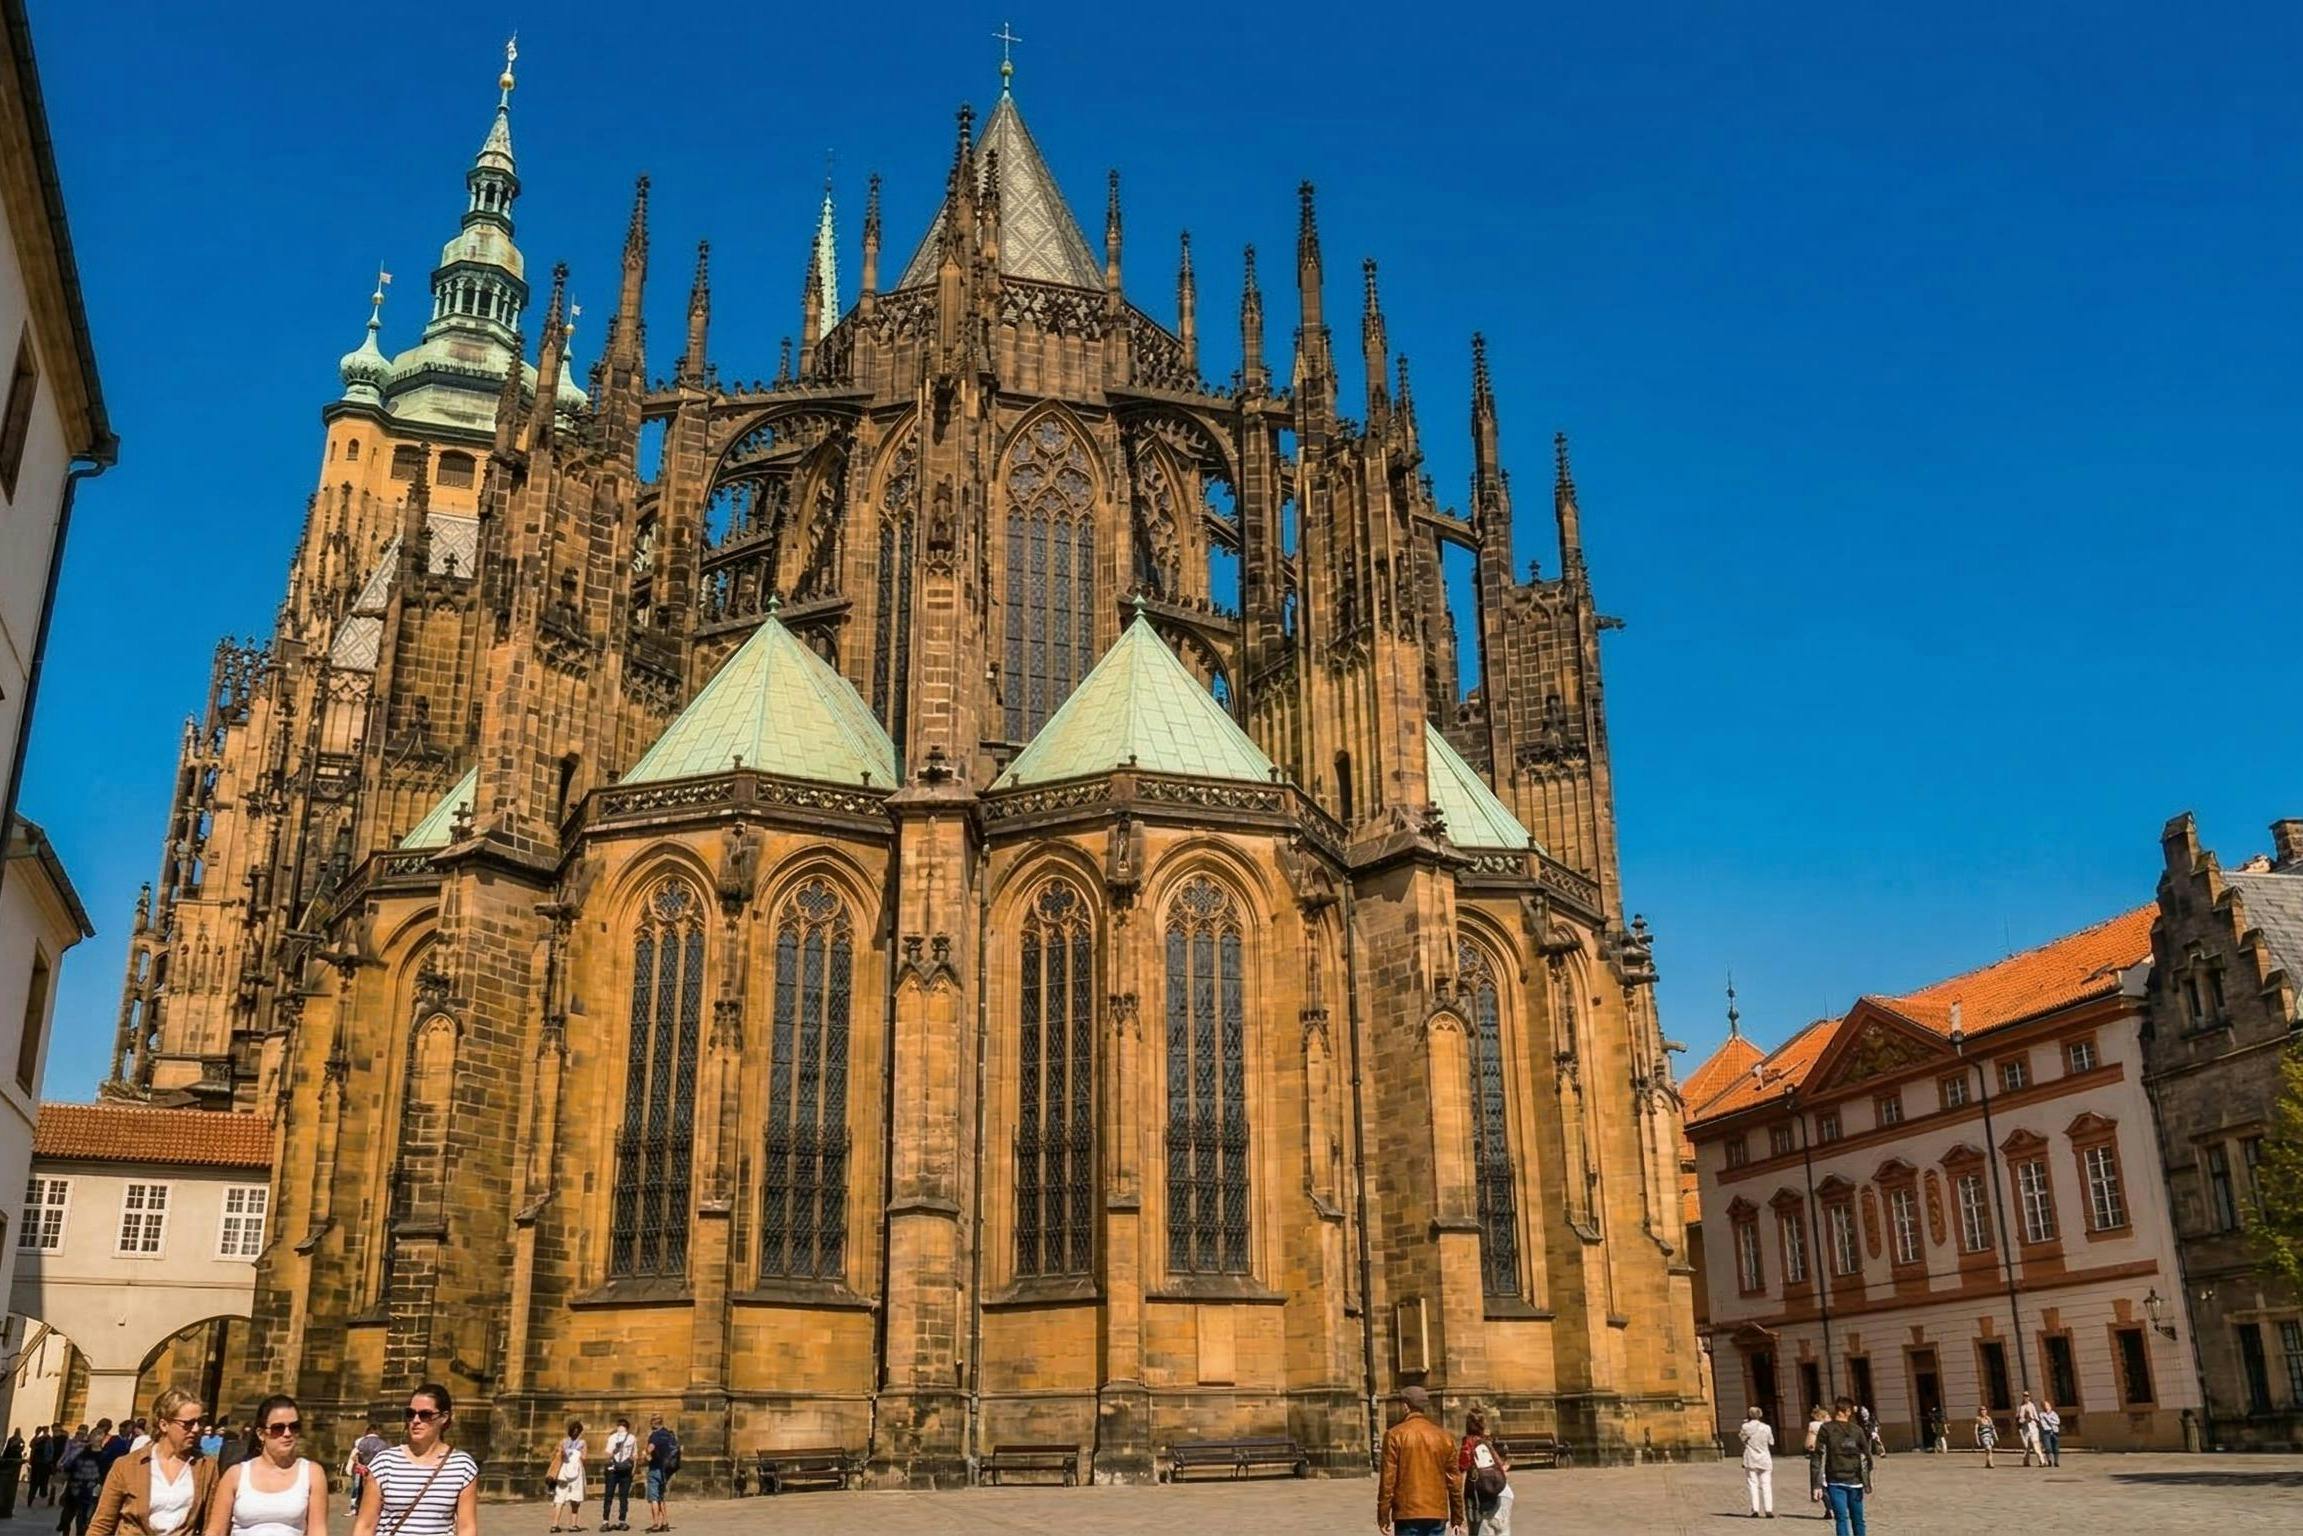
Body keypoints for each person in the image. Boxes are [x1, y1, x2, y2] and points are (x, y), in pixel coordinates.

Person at [87, 1388, 218, 1536]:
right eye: (188, 1423)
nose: (196, 1429)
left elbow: (212, 1525)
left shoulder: (206, 1467)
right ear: (164, 1425)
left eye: (200, 1422)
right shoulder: (127, 1466)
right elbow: (102, 1525)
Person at [351, 1385, 476, 1536]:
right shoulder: (385, 1462)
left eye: (425, 1415)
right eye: (410, 1414)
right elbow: (365, 1525)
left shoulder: (462, 1466)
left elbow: (467, 1528)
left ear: (444, 1417)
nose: (416, 1420)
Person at [203, 1396, 325, 1536]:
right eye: (278, 1428)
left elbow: (318, 1531)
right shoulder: (235, 1475)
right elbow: (216, 1530)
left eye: (294, 1427)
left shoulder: (312, 1473)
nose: (287, 1433)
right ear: (261, 1434)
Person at [1375, 1386, 1464, 1536]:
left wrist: (1383, 1516)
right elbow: (1454, 1482)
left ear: (1405, 1406)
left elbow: (1388, 1481)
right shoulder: (1444, 1437)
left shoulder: (1394, 1435)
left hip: (1407, 1512)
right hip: (1436, 1511)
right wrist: (1457, 1517)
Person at [1811, 1398, 1872, 1536]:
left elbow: (1817, 1456)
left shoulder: (1826, 1428)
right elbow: (1867, 1456)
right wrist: (1866, 1481)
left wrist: (1816, 1485)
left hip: (1835, 1481)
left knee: (1841, 1519)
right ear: (1848, 1411)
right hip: (1855, 1480)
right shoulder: (1857, 1430)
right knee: (1858, 1520)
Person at [1455, 1409, 1509, 1536]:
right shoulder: (1487, 1443)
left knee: (1475, 1528)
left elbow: (1462, 1468)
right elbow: (1499, 1465)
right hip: (1492, 1494)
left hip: (1474, 1495)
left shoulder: (1468, 1443)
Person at [58, 1429, 105, 1536]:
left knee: (80, 1520)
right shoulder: (83, 1452)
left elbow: (103, 1474)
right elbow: (69, 1467)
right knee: (71, 1517)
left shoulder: (102, 1456)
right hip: (77, 1488)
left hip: (86, 1490)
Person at [1736, 1406, 1775, 1519]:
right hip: (1764, 1458)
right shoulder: (1766, 1427)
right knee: (1766, 1484)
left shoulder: (1745, 1427)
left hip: (1751, 1458)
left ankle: (1755, 1509)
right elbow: (1771, 1442)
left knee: (1753, 1484)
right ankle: (1768, 1509)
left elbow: (1742, 1439)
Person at [640, 1418, 677, 1536]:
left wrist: (645, 1454)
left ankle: (656, 1524)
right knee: (661, 1497)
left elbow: (650, 1448)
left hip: (655, 1468)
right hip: (666, 1470)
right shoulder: (669, 1435)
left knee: (654, 1498)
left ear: (653, 1425)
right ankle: (665, 1523)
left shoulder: (655, 1435)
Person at [341, 1427, 385, 1522]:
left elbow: (354, 1455)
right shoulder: (383, 1443)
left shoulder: (361, 1442)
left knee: (358, 1489)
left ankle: (355, 1508)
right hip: (378, 1470)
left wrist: (351, 1466)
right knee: (377, 1489)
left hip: (361, 1469)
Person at [547, 1421, 584, 1533]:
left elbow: (555, 1456)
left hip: (563, 1472)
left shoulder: (563, 1442)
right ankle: (573, 1525)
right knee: (575, 1499)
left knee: (559, 1498)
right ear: (580, 1432)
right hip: (576, 1473)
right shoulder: (582, 1443)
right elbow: (584, 1458)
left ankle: (555, 1525)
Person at [600, 1421, 636, 1534]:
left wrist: (614, 1452)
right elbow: (634, 1456)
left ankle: (607, 1522)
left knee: (610, 1496)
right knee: (621, 1497)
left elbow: (607, 1454)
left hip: (615, 1470)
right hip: (623, 1470)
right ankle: (620, 1521)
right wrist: (633, 1470)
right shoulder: (630, 1437)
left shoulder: (614, 1437)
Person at [1803, 1405, 1828, 1506]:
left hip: (1817, 1456)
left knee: (1818, 1482)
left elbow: (1808, 1445)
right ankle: (1831, 1507)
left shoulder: (1813, 1425)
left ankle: (1829, 1507)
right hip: (1825, 1455)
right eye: (1828, 1416)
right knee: (1825, 1482)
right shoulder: (1824, 1426)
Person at [2015, 1392, 2041, 1467]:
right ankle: (2026, 1461)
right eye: (2024, 1396)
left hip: (2032, 1427)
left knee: (2035, 1444)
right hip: (2024, 1429)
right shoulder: (2020, 1407)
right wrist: (2021, 1420)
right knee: (2026, 1446)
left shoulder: (2032, 1405)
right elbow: (2017, 1418)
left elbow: (2035, 1416)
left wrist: (2036, 1421)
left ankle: (2041, 1461)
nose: (2026, 1398)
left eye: (2027, 1396)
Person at [32, 1426, 57, 1506]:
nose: (45, 1431)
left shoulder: (49, 1439)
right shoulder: (39, 1438)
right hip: (36, 1462)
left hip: (44, 1462)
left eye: (46, 1430)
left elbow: (51, 1450)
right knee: (36, 1479)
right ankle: (34, 1493)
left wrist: (49, 1459)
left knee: (44, 1478)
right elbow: (32, 1445)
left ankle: (43, 1492)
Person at [2038, 1400, 2062, 1467]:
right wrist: (2052, 1422)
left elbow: (2058, 1422)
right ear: (2043, 1407)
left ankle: (2056, 1462)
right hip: (2046, 1432)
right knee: (2048, 1448)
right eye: (2045, 1406)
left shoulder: (2054, 1413)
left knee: (2056, 1447)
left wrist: (2049, 1421)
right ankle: (2050, 1461)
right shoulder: (2041, 1414)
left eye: (2048, 1405)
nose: (2047, 1407)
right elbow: (2043, 1424)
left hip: (2054, 1432)